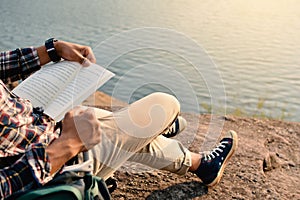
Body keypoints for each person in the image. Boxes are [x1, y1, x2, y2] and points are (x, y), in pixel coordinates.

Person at [0, 38, 238, 199]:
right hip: (56, 166)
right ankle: (164, 135)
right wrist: (67, 145)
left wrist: (51, 50)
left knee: (102, 119)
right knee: (165, 104)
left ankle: (201, 164)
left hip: (33, 121)